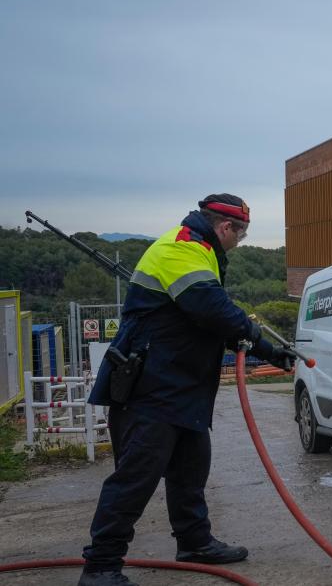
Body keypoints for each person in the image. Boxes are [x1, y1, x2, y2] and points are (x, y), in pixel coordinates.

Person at [79, 194, 296, 586]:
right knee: (136, 479)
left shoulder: (201, 250)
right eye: (240, 236)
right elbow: (210, 309)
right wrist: (260, 342)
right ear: (226, 228)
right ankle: (101, 565)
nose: (238, 243)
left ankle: (194, 542)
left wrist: (267, 349)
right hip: (151, 386)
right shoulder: (182, 247)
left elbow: (207, 319)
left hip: (181, 385)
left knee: (190, 470)